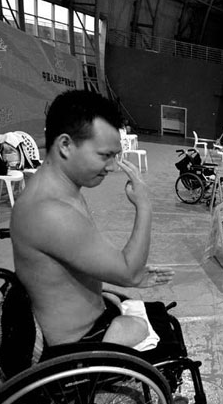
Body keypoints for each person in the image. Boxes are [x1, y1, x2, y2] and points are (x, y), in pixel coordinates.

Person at [11, 90, 174, 349]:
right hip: (77, 341)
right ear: (65, 145)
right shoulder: (49, 212)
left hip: (87, 319)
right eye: (104, 155)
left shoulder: (62, 190)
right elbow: (129, 273)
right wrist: (144, 205)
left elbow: (82, 256)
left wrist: (126, 274)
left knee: (143, 311)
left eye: (115, 156)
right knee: (157, 327)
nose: (112, 167)